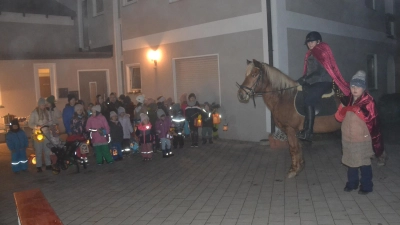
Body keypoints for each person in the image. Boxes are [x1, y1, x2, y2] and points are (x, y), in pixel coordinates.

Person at [335, 71, 384, 195]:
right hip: (348, 138)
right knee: (351, 163)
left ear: (364, 87)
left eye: (358, 86)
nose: (355, 89)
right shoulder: (347, 100)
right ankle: (352, 183)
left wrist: (356, 110)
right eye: (353, 86)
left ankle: (367, 185)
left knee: (364, 163)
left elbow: (371, 119)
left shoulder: (369, 102)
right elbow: (338, 118)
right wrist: (343, 109)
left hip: (362, 139)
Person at [296, 31, 350, 142]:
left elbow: (320, 72)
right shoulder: (311, 53)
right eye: (308, 42)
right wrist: (304, 78)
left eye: (312, 42)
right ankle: (305, 127)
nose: (309, 44)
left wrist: (306, 79)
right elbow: (311, 71)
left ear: (318, 41)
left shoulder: (320, 52)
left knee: (309, 101)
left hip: (323, 81)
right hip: (314, 81)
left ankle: (308, 132)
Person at [28, 98, 52, 172]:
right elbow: (30, 124)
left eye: (44, 105)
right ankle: (39, 165)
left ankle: (48, 164)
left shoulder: (47, 112)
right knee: (38, 150)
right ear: (39, 105)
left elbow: (50, 122)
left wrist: (48, 124)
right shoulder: (34, 113)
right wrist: (36, 126)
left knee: (47, 149)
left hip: (46, 133)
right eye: (42, 105)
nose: (43, 107)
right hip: (37, 134)